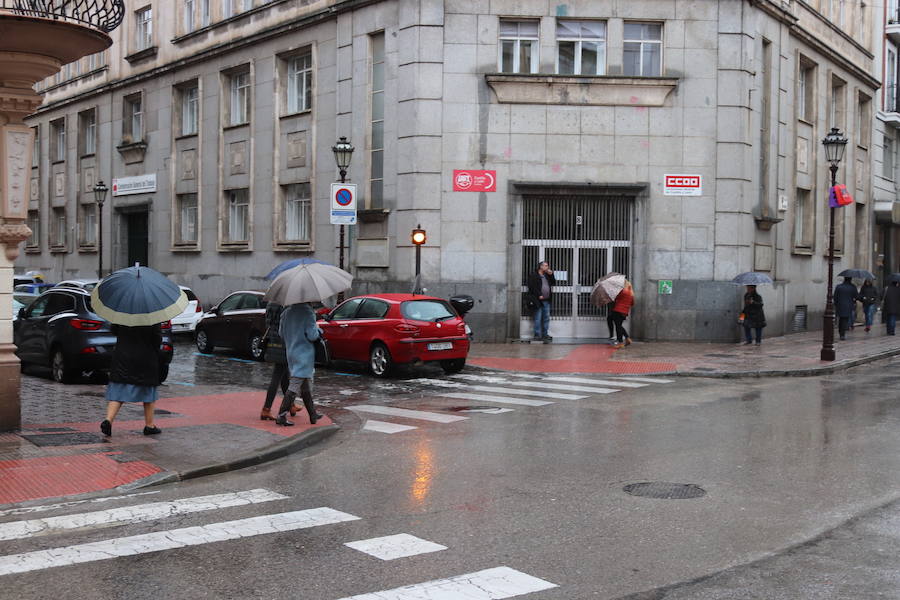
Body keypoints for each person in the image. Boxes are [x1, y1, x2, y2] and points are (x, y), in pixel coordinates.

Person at [100, 324, 164, 437]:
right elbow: (157, 338)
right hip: (145, 357)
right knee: (148, 391)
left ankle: (108, 420)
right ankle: (149, 425)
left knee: (118, 391)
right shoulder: (152, 316)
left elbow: (114, 330)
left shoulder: (123, 313)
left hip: (123, 355)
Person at [277, 302, 324, 426]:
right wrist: (319, 330)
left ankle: (312, 414)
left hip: (291, 352)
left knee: (304, 385)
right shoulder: (308, 312)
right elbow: (313, 335)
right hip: (304, 354)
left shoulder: (286, 313)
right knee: (295, 384)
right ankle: (281, 415)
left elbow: (281, 334)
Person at [260, 302, 290, 421]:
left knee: (283, 374)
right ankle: (266, 409)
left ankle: (290, 405)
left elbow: (267, 322)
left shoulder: (270, 305)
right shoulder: (283, 306)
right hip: (281, 343)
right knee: (278, 375)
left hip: (272, 341)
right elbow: (285, 325)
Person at [526, 261, 556, 343]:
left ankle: (545, 334)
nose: (547, 267)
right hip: (537, 300)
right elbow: (531, 286)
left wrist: (551, 274)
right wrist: (539, 294)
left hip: (546, 300)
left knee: (546, 318)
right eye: (545, 266)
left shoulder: (547, 275)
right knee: (538, 318)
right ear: (541, 266)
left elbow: (553, 283)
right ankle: (537, 335)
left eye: (547, 266)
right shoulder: (534, 275)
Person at [611, 280, 634, 349]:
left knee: (618, 327)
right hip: (624, 312)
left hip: (618, 310)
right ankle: (627, 338)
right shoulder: (631, 293)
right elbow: (632, 303)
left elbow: (615, 298)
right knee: (619, 326)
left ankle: (620, 342)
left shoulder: (623, 291)